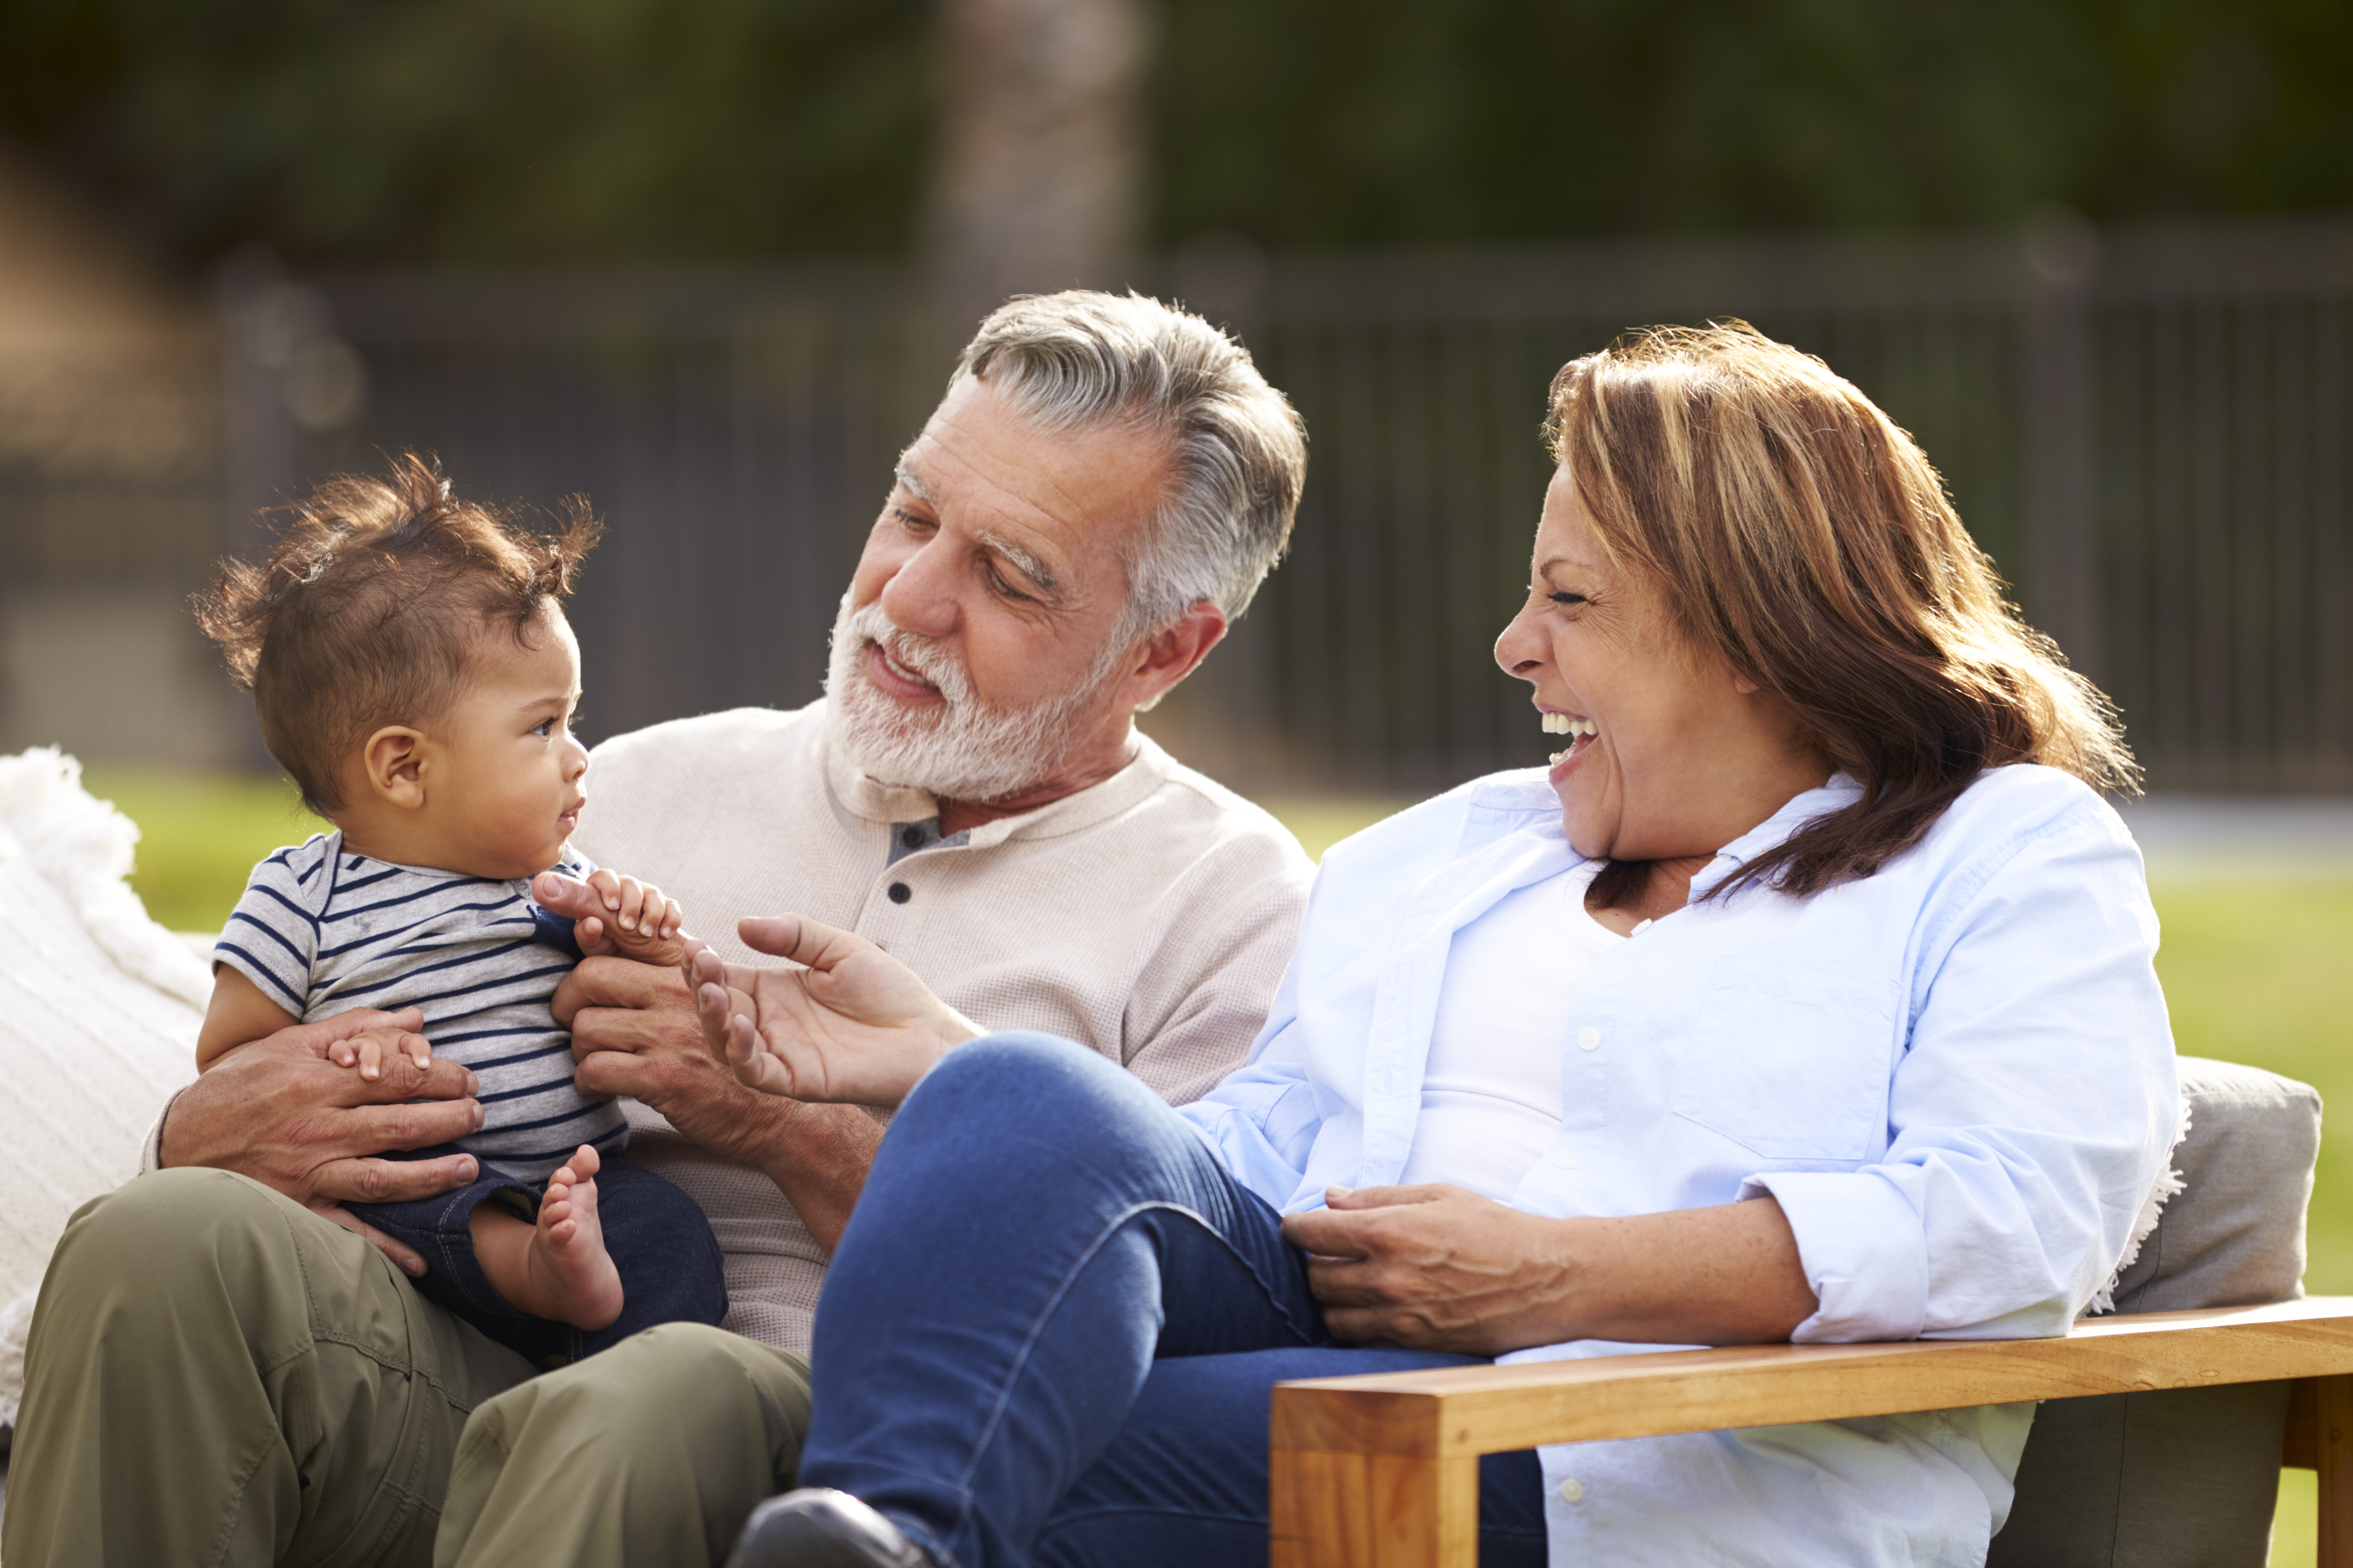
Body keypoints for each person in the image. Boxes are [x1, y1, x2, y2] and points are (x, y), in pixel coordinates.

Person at [688, 323, 2181, 1568]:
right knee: (1022, 1092)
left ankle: (900, 1532)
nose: (1514, 644)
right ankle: (893, 1535)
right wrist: (964, 1077)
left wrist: (1552, 1278)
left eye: (1570, 597)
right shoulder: (1453, 850)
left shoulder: (2004, 852)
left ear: (1753, 631)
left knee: (1055, 1440)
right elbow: (1261, 1150)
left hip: (1645, 1466)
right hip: (1343, 1324)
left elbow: (2018, 1218)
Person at [2, 290, 1318, 1568]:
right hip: (481, 1365)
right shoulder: (625, 782)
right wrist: (214, 1131)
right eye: (910, 510)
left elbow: (1158, 1343)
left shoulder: (1229, 906)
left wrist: (771, 1123)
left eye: (1009, 576)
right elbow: (312, 996)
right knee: (156, 1240)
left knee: (658, 1393)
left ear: (1164, 651)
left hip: (829, 1457)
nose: (906, 596)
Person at [190, 457, 723, 1364]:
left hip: (579, 1181)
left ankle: (614, 1398)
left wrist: (640, 936)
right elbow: (229, 1066)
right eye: (542, 726)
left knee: (671, 1232)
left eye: (572, 720)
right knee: (416, 1210)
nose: (578, 756)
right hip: (423, 1200)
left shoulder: (553, 879)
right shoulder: (301, 897)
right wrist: (348, 1050)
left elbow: (642, 1002)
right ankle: (540, 1279)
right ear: (404, 767)